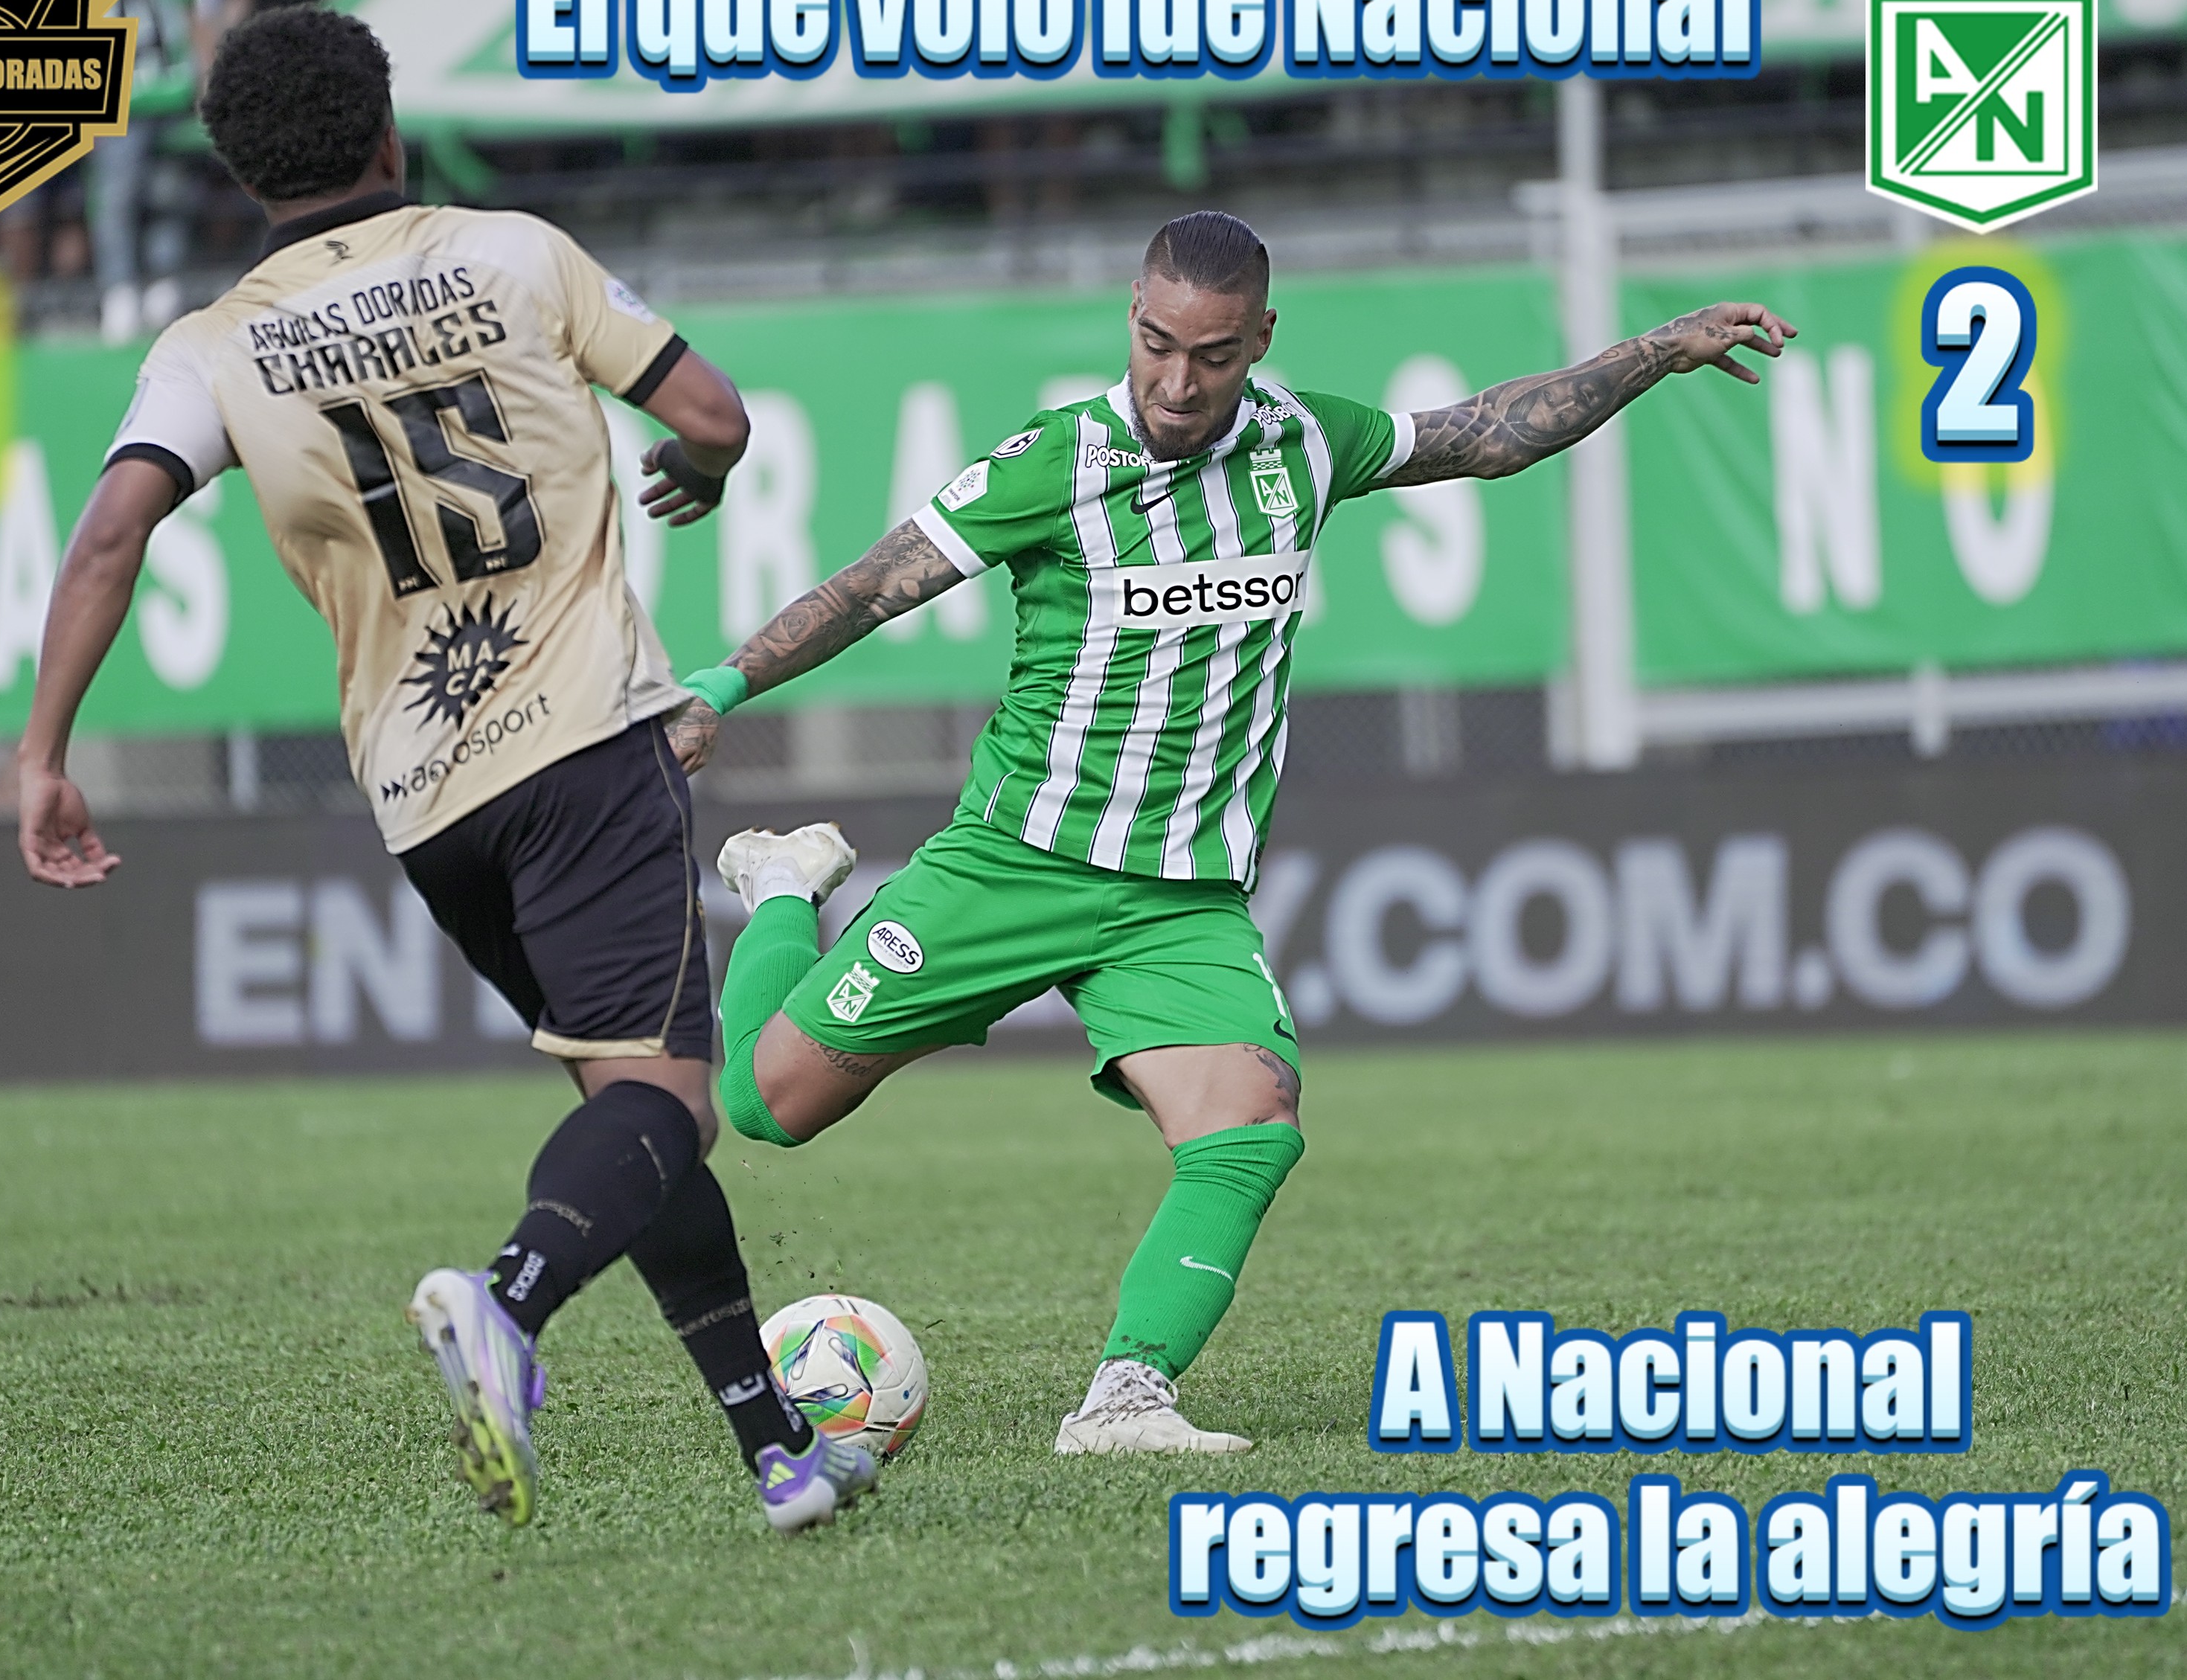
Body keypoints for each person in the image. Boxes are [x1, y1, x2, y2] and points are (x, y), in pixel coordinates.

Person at [672, 211, 1796, 1455]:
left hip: (1181, 899)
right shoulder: (1056, 462)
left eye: (1211, 354)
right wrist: (720, 688)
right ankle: (786, 886)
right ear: (1132, 318)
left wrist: (1658, 348)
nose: (1177, 380)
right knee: (765, 1107)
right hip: (1016, 861)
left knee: (1251, 1127)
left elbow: (1484, 434)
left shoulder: (1306, 443)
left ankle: (1127, 1394)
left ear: (1260, 338)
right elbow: (872, 587)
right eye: (1157, 344)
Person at [13, 6, 877, 1536]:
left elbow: (106, 537)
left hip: (428, 802)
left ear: (240, 175)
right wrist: (704, 468)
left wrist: (43, 755)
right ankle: (507, 1303)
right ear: (389, 130)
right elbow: (712, 412)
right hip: (586, 743)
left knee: (630, 1107)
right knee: (669, 1104)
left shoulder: (210, 346)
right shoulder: (514, 253)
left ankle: (781, 1449)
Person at [85, 0, 196, 343]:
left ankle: (164, 283)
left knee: (169, 193)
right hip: (116, 99)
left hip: (169, 88)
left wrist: (205, 73)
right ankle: (120, 290)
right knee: (115, 197)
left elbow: (191, 13)